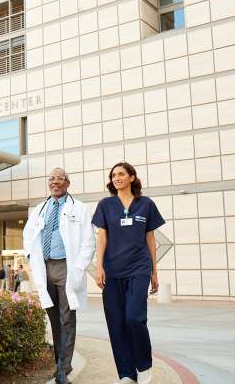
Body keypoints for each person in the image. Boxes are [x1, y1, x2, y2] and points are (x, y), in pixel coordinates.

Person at [92, 162, 164, 384]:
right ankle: (126, 374)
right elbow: (102, 237)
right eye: (113, 175)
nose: (116, 178)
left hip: (139, 269)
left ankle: (143, 365)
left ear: (132, 177)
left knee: (134, 317)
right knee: (116, 323)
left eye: (121, 174)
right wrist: (99, 267)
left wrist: (154, 271)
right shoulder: (105, 205)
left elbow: (151, 239)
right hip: (112, 271)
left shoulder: (146, 204)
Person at [23, 167, 96, 384]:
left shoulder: (79, 208)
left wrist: (78, 269)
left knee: (66, 319)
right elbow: (28, 235)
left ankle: (63, 370)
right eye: (51, 179)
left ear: (67, 183)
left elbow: (88, 242)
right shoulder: (39, 209)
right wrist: (30, 256)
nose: (55, 182)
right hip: (44, 267)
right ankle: (61, 363)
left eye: (60, 178)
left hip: (66, 267)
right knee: (54, 318)